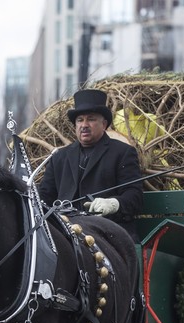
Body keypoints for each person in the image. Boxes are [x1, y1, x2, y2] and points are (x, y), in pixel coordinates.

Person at [38, 89, 144, 242]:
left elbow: (135, 197)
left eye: (91, 119)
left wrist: (114, 204)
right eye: (80, 120)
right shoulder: (59, 157)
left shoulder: (123, 153)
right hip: (65, 235)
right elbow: (45, 197)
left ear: (104, 124)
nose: (84, 125)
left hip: (108, 235)